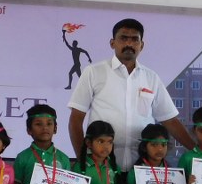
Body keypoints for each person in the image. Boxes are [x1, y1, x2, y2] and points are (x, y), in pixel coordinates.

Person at [68, 19, 192, 167]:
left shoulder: (151, 77)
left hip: (142, 166)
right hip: (101, 164)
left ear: (141, 45)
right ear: (112, 43)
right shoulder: (94, 72)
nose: (129, 44)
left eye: (134, 39)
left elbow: (170, 121)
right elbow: (76, 119)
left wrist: (199, 153)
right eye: (123, 38)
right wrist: (83, 161)